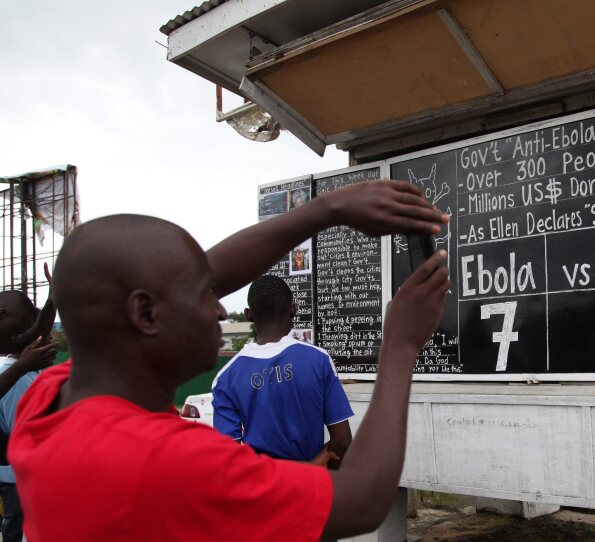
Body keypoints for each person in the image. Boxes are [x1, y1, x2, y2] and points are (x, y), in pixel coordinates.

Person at [9, 180, 450, 541]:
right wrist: (400, 345)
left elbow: (191, 277)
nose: (221, 309)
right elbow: (364, 500)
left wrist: (328, 209)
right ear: (145, 314)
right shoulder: (163, 462)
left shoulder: (49, 401)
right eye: (205, 295)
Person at [212, 274, 353, 468]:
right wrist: (315, 475)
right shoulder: (318, 359)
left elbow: (229, 462)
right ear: (293, 309)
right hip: (313, 491)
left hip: (264, 494)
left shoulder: (226, 378)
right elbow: (342, 441)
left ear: (248, 314)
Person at [0, 269, 58, 542]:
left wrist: (52, 299)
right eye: (16, 332)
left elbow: (34, 332)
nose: (21, 340)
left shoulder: (8, 354)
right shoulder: (13, 367)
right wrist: (22, 366)